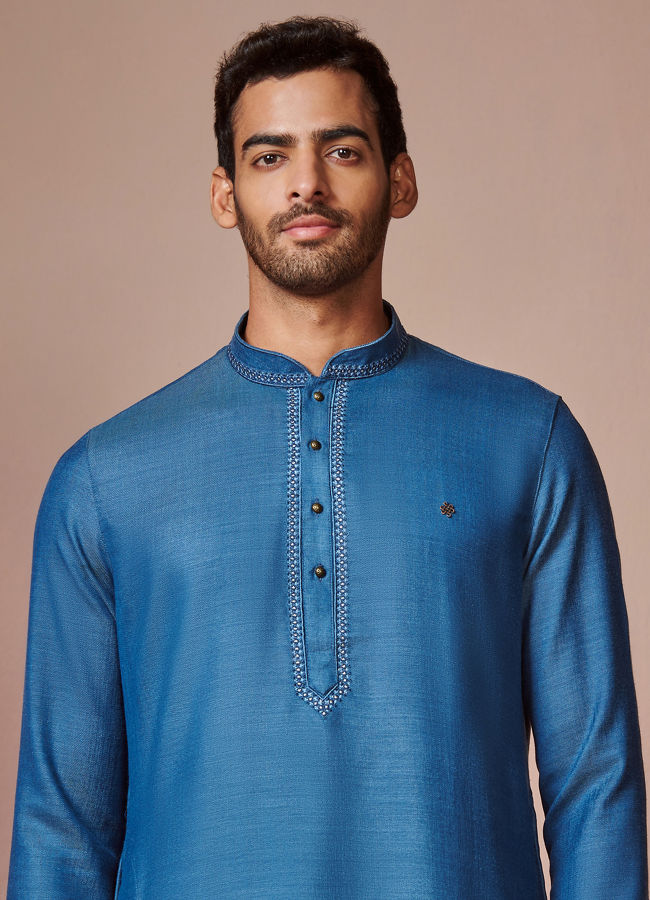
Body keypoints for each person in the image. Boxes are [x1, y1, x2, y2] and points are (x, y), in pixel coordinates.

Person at [7, 14, 648, 899]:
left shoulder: (528, 445)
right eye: (269, 156)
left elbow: (596, 788)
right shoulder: (104, 480)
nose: (305, 183)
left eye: (342, 150)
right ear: (225, 195)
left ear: (401, 180)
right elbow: (61, 830)